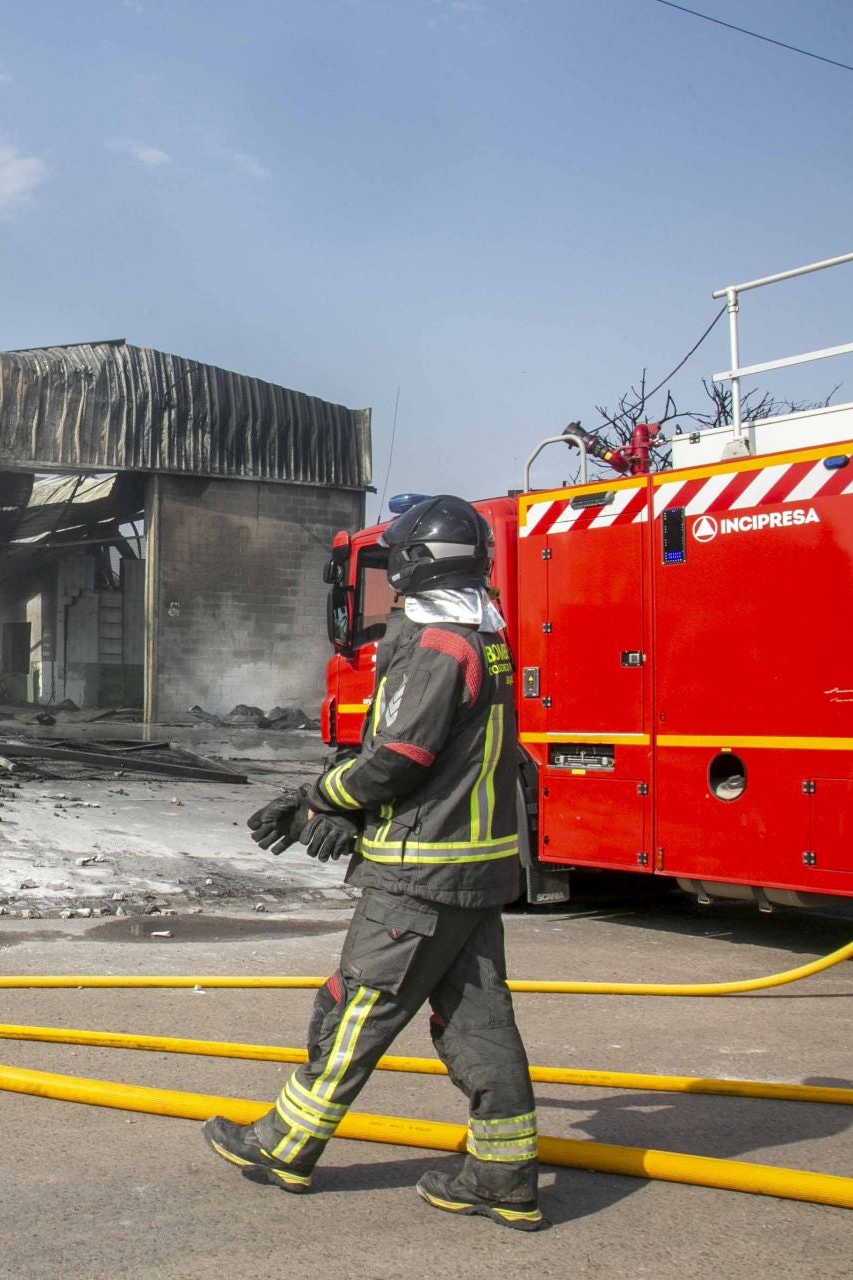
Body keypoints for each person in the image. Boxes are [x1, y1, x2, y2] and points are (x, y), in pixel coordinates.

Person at [203, 494, 545, 1231]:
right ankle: (503, 1172)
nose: (390, 584)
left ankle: (284, 1144)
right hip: (475, 870)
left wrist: (319, 796)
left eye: (396, 566)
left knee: (355, 1006)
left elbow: (399, 758)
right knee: (479, 1021)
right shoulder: (484, 634)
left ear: (419, 565)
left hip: (419, 873)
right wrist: (343, 807)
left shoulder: (437, 646)